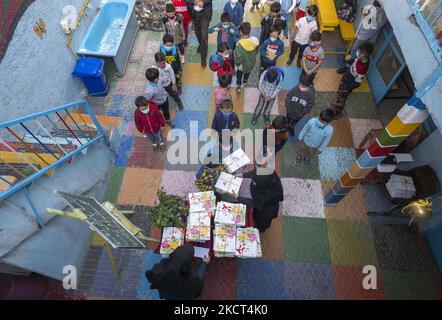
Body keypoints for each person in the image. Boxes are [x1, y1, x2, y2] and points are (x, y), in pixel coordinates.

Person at [233, 147, 284, 233]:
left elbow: (255, 203)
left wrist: (238, 197)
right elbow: (254, 173)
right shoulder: (265, 169)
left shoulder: (263, 180)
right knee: (257, 214)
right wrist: (241, 175)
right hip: (265, 201)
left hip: (267, 208)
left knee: (262, 222)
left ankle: (260, 230)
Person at [145, 244, 210, 300]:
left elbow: (149, 275)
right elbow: (200, 279)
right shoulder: (193, 281)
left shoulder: (159, 271)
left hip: (167, 295)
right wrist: (204, 263)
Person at [335, 42, 374, 117]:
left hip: (348, 84)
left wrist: (346, 87)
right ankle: (337, 105)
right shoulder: (360, 58)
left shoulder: (362, 68)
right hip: (346, 78)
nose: (358, 53)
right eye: (359, 51)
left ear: (366, 54)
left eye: (361, 52)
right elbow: (354, 63)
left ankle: (338, 112)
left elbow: (357, 83)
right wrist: (347, 60)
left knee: (342, 98)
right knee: (339, 95)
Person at [185, 0, 213, 67]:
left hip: (205, 13)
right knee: (197, 33)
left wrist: (204, 3)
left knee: (204, 35)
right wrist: (194, 2)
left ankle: (203, 57)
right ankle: (201, 45)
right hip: (194, 13)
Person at [234, 22, 259, 94]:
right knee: (247, 74)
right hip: (251, 64)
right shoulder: (255, 40)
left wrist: (238, 65)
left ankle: (239, 86)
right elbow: (257, 51)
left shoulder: (239, 44)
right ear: (250, 31)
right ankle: (244, 82)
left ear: (241, 32)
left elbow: (238, 58)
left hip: (241, 66)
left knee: (239, 75)